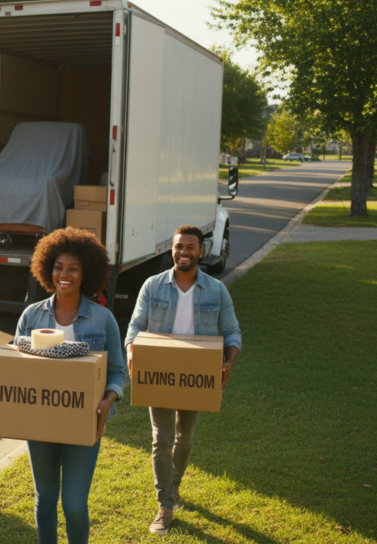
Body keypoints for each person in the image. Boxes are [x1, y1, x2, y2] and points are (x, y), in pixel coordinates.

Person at [125, 225, 242, 535]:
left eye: (191, 247)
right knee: (160, 438)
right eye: (179, 247)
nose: (184, 252)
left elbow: (232, 331)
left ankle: (174, 486)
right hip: (159, 371)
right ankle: (164, 505)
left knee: (184, 439)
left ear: (201, 252)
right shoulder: (153, 286)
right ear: (171, 250)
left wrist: (229, 360)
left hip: (196, 373)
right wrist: (131, 349)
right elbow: (135, 324)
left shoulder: (216, 290)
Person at [14, 227, 127, 544]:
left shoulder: (102, 319)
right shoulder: (31, 316)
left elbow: (117, 371)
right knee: (45, 498)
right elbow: (15, 367)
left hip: (84, 422)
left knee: (75, 505)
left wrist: (109, 398)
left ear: (86, 272)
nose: (65, 274)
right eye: (59, 267)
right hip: (40, 422)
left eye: (73, 268)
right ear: (48, 269)